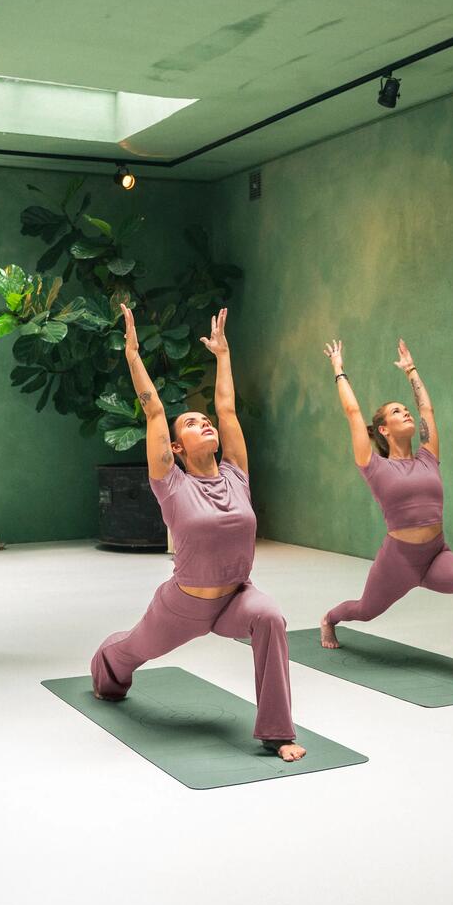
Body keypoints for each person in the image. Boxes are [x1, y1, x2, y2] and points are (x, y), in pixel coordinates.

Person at [90, 306, 305, 762]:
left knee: (270, 616)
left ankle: (277, 732)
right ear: (175, 447)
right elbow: (153, 412)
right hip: (182, 606)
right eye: (190, 423)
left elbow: (226, 408)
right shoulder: (170, 483)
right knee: (128, 651)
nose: (204, 423)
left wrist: (223, 356)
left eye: (203, 421)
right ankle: (105, 668)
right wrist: (132, 356)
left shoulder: (237, 475)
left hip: (236, 599)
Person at [319, 338, 453, 692]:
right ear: (383, 430)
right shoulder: (374, 466)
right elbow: (353, 415)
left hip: (435, 554)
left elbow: (428, 414)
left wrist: (412, 371)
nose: (406, 413)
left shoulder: (427, 456)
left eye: (406, 410)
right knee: (365, 610)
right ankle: (329, 618)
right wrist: (338, 369)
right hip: (397, 561)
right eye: (397, 412)